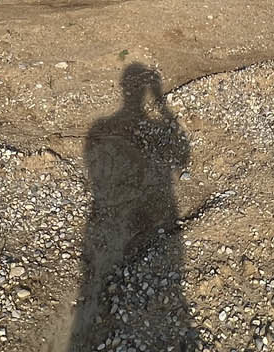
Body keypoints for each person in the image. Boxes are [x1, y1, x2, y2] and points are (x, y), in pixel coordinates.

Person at [68, 63, 195, 350]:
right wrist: (166, 113)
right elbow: (182, 160)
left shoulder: (100, 128)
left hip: (109, 210)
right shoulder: (138, 126)